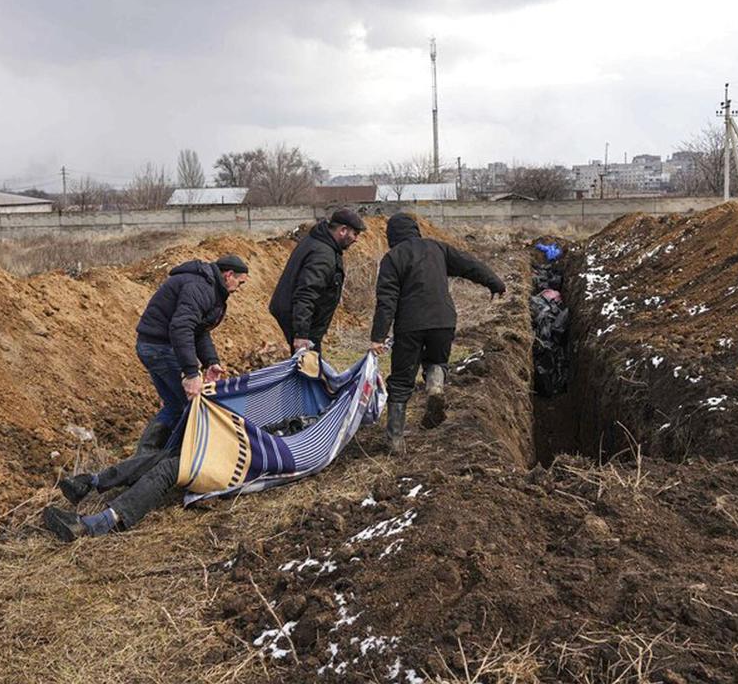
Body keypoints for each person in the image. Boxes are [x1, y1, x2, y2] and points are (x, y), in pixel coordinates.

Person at [42, 254, 250, 541]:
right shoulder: (200, 287)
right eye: (240, 281)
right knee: (175, 438)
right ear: (227, 275)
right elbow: (182, 327)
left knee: (173, 446)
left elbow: (197, 330)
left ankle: (94, 498)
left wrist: (209, 360)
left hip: (230, 453)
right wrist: (192, 372)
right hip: (161, 348)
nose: (240, 287)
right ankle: (109, 483)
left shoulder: (207, 287)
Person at [369, 213, 504, 454]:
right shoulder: (437, 248)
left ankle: (396, 441)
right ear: (415, 230)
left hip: (410, 325)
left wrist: (378, 336)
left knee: (401, 380)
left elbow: (386, 301)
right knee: (437, 361)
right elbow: (470, 265)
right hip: (443, 320)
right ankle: (435, 388)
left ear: (391, 235)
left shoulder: (392, 258)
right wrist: (494, 282)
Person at [268, 208, 366, 353]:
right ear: (343, 230)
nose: (356, 239)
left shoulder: (319, 241)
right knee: (308, 367)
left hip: (300, 317)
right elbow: (306, 293)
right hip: (300, 320)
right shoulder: (323, 255)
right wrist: (301, 334)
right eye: (355, 234)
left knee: (311, 364)